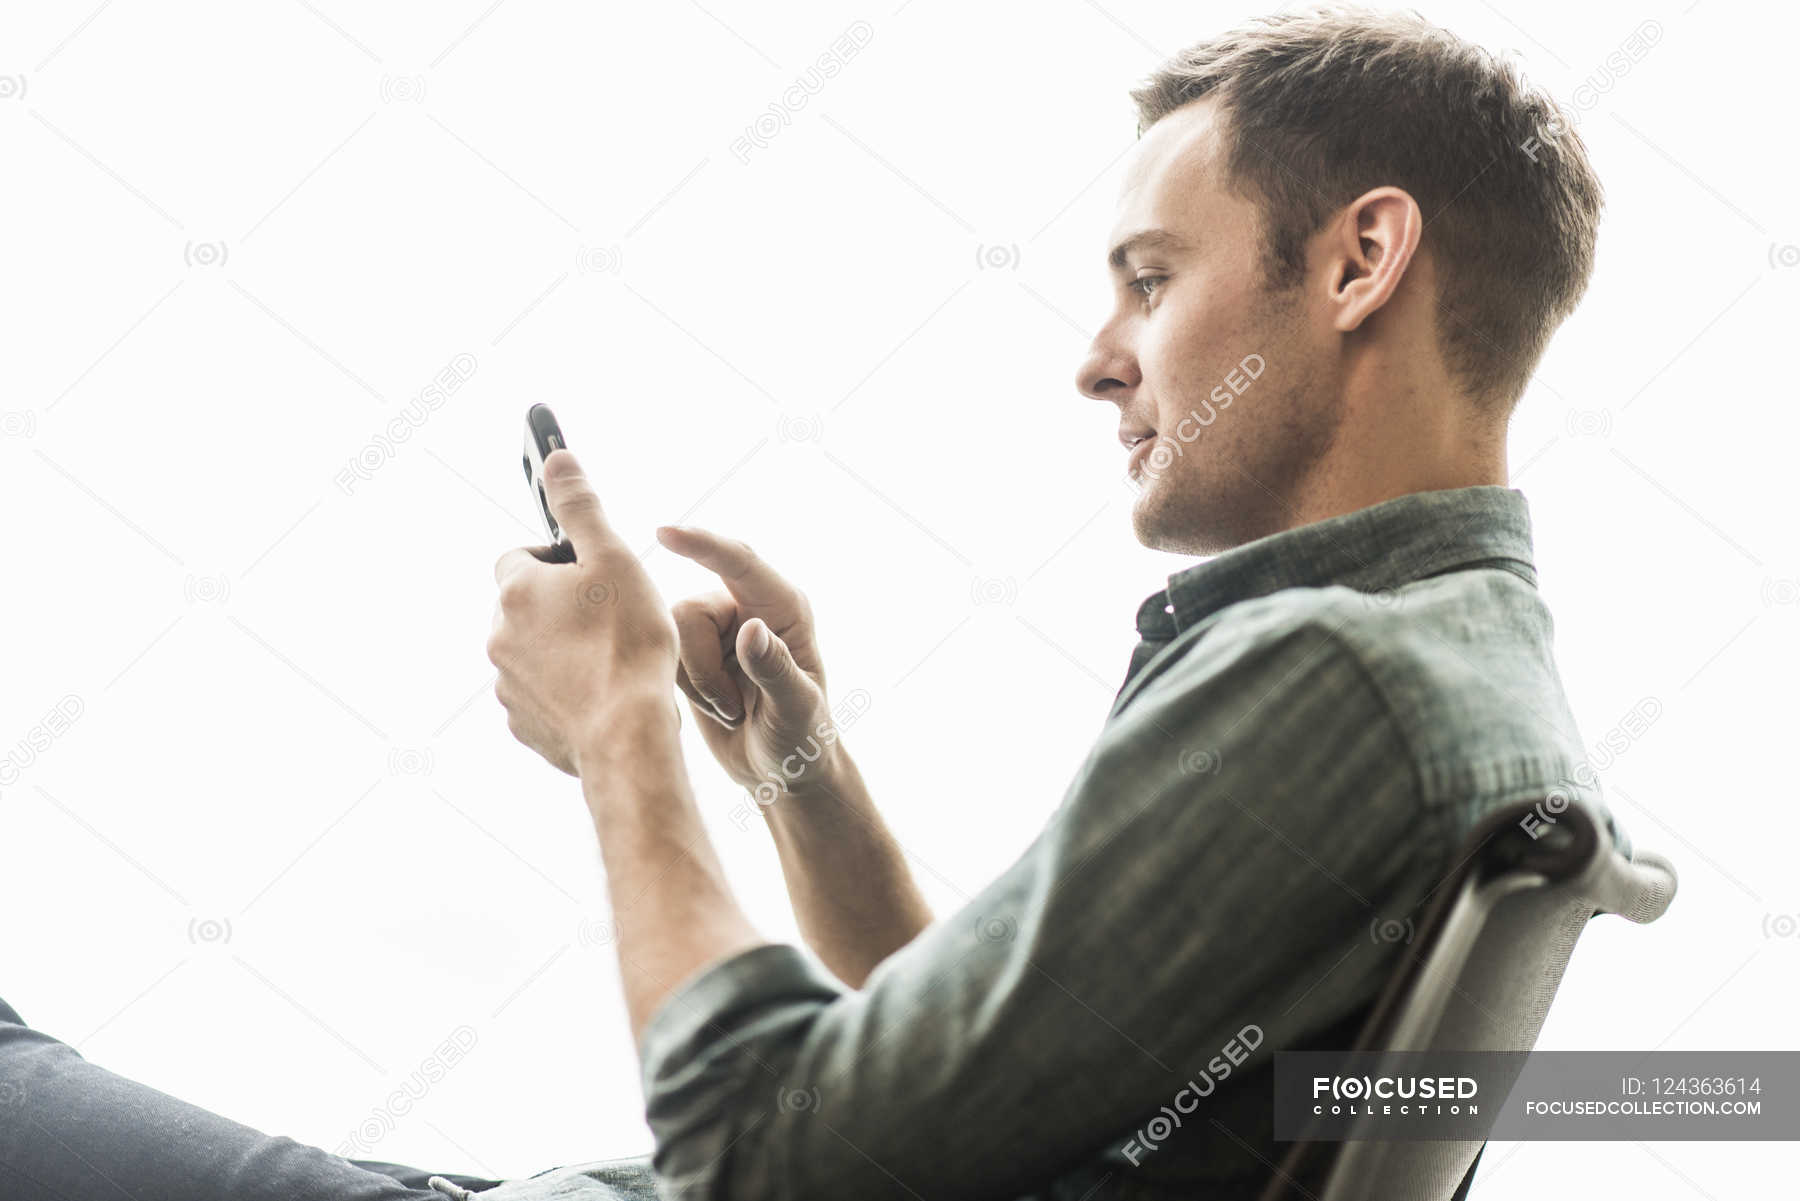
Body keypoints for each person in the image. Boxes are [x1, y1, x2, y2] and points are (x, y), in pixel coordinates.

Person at [1, 7, 1626, 1199]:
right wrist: (795, 763)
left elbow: (775, 1154)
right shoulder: (1450, 664)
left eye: (1149, 276)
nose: (1096, 356)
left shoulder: (1337, 677)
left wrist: (621, 714)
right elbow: (983, 1085)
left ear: (1358, 264)